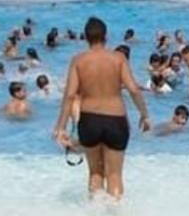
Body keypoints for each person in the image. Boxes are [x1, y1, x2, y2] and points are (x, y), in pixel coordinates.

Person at [53, 17, 152, 201]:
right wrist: (144, 115)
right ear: (106, 36)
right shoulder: (118, 58)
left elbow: (69, 95)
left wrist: (61, 127)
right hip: (115, 119)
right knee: (114, 175)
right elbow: (133, 89)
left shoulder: (78, 60)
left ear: (86, 38)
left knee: (95, 174)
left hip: (89, 120)